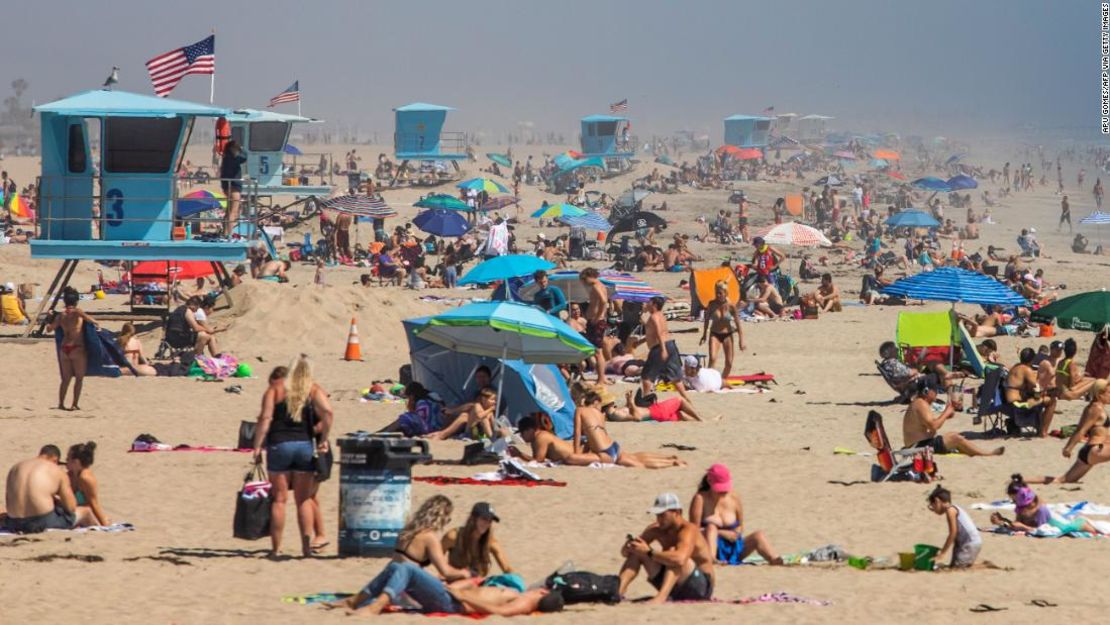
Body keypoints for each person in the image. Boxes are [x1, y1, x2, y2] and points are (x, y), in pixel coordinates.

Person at [251, 355, 334, 557]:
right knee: (304, 500)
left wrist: (257, 446)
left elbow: (265, 418)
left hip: (279, 445)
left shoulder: (275, 390)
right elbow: (328, 413)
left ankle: (276, 549)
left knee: (279, 500)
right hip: (304, 446)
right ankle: (306, 549)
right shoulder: (311, 390)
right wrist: (324, 438)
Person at [326, 562, 562, 616]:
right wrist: (461, 586)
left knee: (406, 570)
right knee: (397, 566)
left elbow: (499, 612)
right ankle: (355, 600)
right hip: (453, 596)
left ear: (543, 593)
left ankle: (374, 606)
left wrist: (462, 595)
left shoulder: (524, 602)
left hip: (453, 603)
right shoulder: (521, 596)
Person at [619, 493, 715, 604]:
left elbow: (680, 559)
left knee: (673, 552)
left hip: (700, 587)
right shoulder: (656, 529)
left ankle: (661, 597)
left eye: (662, 515)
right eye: (657, 515)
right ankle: (618, 592)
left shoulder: (689, 530)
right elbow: (625, 553)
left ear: (677, 512)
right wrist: (628, 547)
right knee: (638, 552)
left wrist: (649, 552)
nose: (659, 519)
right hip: (673, 584)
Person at [688, 464, 782, 565]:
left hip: (733, 547)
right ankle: (712, 559)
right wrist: (721, 533)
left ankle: (774, 559)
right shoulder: (700, 499)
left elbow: (740, 526)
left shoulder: (734, 497)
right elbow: (693, 531)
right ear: (710, 482)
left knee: (758, 536)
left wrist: (736, 533)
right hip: (708, 546)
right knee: (711, 528)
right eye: (720, 488)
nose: (723, 491)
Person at [514, 413, 684, 468]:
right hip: (601, 445)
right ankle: (670, 459)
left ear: (531, 430)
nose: (522, 437)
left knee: (635, 463)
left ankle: (670, 462)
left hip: (584, 453)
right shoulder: (545, 436)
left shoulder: (540, 438)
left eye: (523, 433)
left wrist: (519, 454)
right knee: (632, 456)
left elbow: (538, 461)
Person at [1026, 380, 1110, 484]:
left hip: (1088, 452)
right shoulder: (1096, 408)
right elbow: (1081, 430)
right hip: (1096, 450)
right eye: (1109, 393)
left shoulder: (1094, 407)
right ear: (1099, 393)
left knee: (1062, 480)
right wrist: (1069, 447)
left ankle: (1022, 480)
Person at [574, 393, 689, 466]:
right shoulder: (600, 415)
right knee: (635, 456)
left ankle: (670, 463)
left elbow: (577, 433)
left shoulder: (581, 410)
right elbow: (600, 434)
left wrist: (577, 453)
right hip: (613, 446)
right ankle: (668, 459)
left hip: (605, 452)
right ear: (595, 403)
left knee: (639, 464)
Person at [903, 378, 1004, 457]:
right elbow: (934, 426)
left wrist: (946, 414)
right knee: (956, 438)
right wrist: (946, 412)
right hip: (918, 446)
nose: (936, 394)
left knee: (954, 435)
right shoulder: (921, 404)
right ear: (926, 391)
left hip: (919, 443)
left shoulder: (918, 403)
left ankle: (974, 452)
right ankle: (987, 454)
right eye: (935, 391)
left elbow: (931, 424)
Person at [990, 475, 1106, 535]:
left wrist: (1022, 526)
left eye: (1014, 499)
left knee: (1099, 532)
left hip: (1074, 525)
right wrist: (1002, 521)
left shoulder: (1040, 509)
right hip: (1065, 525)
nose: (1014, 502)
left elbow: (1043, 530)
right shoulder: (1020, 508)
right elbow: (1020, 524)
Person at [1, 445, 77, 533]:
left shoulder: (15, 467)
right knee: (77, 514)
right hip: (41, 522)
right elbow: (71, 507)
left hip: (14, 522)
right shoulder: (55, 470)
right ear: (55, 459)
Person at [47, 287, 99, 411]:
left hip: (64, 349)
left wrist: (51, 318)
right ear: (76, 301)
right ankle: (74, 404)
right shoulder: (78, 312)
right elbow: (93, 321)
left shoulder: (60, 316)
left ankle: (61, 403)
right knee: (79, 378)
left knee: (65, 379)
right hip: (77, 348)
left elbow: (49, 329)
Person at [441, 502, 512, 577]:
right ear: (473, 518)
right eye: (484, 519)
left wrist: (517, 583)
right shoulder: (454, 537)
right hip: (454, 581)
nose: (487, 523)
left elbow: (507, 569)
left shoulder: (490, 542)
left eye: (490, 520)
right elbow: (434, 557)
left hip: (479, 584)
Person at [640, 296, 685, 399]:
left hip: (660, 347)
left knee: (646, 376)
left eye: (649, 302)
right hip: (670, 345)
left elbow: (659, 333)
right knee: (675, 377)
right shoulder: (660, 315)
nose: (647, 303)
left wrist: (663, 350)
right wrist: (639, 342)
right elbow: (651, 333)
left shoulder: (654, 317)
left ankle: (646, 399)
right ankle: (686, 398)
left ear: (654, 305)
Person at [926, 486, 981, 568]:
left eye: (932, 506)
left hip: (969, 543)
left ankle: (984, 566)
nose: (933, 509)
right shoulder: (954, 508)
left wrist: (942, 553)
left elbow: (953, 533)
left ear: (937, 501)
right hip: (969, 543)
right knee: (954, 566)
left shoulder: (950, 511)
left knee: (957, 568)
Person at [699, 281, 743, 378]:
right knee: (713, 358)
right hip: (715, 334)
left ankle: (722, 380)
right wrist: (704, 335)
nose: (718, 295)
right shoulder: (711, 304)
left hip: (728, 334)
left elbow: (738, 324)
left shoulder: (731, 306)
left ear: (726, 293)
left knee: (729, 363)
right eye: (716, 293)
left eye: (720, 293)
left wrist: (741, 340)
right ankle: (709, 379)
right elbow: (706, 320)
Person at [65, 442, 108, 527]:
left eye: (68, 459)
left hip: (86, 516)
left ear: (76, 462)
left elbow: (94, 503)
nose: (65, 461)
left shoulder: (85, 478)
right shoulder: (70, 475)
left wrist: (104, 525)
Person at [579, 267, 611, 384]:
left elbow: (603, 301)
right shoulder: (601, 285)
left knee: (597, 352)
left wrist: (597, 317)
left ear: (589, 276)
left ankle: (601, 378)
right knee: (598, 351)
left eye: (584, 279)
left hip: (596, 321)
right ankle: (602, 377)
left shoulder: (596, 286)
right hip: (597, 320)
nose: (584, 283)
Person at [219, 140, 247, 237]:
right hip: (234, 186)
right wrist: (242, 150)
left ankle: (225, 232)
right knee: (234, 212)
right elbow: (244, 158)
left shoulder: (225, 158)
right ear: (232, 149)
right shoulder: (233, 159)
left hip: (227, 186)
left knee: (228, 210)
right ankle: (229, 235)